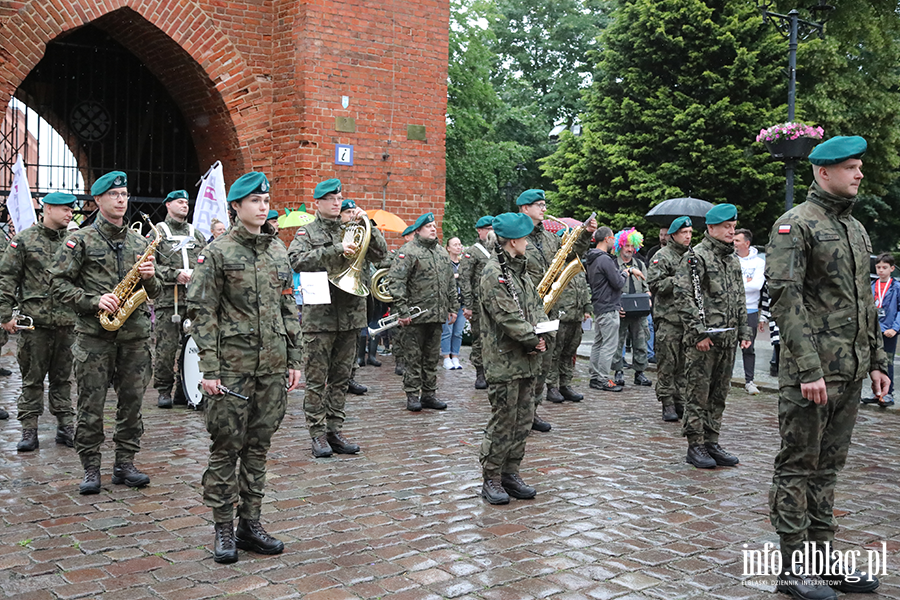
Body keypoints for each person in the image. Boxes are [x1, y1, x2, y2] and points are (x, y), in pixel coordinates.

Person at [767, 135, 888, 598]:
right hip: (813, 374)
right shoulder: (795, 225)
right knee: (798, 465)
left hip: (852, 369)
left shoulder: (855, 229)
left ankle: (822, 558)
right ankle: (793, 568)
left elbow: (864, 305)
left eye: (859, 167)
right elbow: (786, 299)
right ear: (823, 172)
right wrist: (808, 368)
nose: (859, 174)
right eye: (851, 167)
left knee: (828, 467)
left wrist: (876, 360)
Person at [187, 171, 302, 564]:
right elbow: (202, 312)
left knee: (258, 447)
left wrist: (294, 358)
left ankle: (249, 523)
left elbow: (289, 306)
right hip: (232, 368)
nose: (263, 206)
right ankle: (222, 528)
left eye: (266, 199)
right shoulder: (217, 252)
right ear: (236, 207)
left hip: (271, 367)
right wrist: (209, 369)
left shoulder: (278, 251)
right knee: (226, 448)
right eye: (254, 200)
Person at [50, 171, 161, 494]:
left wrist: (151, 276)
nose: (121, 200)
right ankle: (91, 467)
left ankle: (125, 463)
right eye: (114, 195)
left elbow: (154, 290)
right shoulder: (80, 240)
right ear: (98, 200)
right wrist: (93, 300)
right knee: (91, 403)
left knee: (132, 402)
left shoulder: (141, 242)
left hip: (135, 335)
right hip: (94, 335)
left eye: (125, 194)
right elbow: (57, 284)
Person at [289, 179, 387, 457]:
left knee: (342, 377)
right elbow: (295, 259)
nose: (337, 202)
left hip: (351, 313)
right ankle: (317, 433)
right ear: (317, 203)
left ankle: (335, 429)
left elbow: (381, 255)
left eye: (339, 198)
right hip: (320, 316)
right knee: (318, 378)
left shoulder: (352, 227)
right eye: (330, 198)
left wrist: (369, 224)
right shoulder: (307, 232)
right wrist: (334, 251)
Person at [674, 203, 750, 469]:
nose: (731, 232)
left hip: (727, 339)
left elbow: (739, 297)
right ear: (711, 228)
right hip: (705, 341)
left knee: (719, 394)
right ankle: (695, 445)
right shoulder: (696, 257)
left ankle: (711, 441)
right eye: (726, 227)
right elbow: (684, 297)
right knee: (698, 393)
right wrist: (699, 333)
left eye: (733, 227)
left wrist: (744, 329)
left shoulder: (731, 259)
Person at [478, 213, 548, 505]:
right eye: (525, 238)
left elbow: (534, 307)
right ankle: (492, 477)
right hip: (505, 359)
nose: (528, 243)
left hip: (527, 358)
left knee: (523, 419)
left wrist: (544, 329)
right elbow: (506, 317)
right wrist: (533, 338)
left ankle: (511, 472)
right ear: (513, 241)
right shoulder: (494, 273)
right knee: (504, 419)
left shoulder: (521, 271)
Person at [0, 192, 77, 451]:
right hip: (35, 324)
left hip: (67, 323)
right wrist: (5, 316)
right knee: (32, 379)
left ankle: (66, 427)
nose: (70, 214)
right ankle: (29, 430)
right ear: (48, 209)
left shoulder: (74, 242)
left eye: (71, 210)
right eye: (65, 209)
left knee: (63, 378)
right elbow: (7, 279)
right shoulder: (24, 240)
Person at [518, 190, 596, 431]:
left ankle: (533, 411)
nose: (544, 208)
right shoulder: (515, 236)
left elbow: (570, 255)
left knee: (543, 362)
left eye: (544, 204)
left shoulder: (550, 238)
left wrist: (585, 234)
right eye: (538, 205)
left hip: (548, 311)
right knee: (524, 364)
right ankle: (519, 414)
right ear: (524, 209)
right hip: (524, 309)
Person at [388, 212, 457, 411]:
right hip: (414, 316)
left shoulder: (442, 253)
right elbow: (397, 282)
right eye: (429, 226)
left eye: (434, 226)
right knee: (413, 357)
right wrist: (402, 310)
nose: (433, 229)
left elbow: (450, 283)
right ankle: (412, 395)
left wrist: (452, 307)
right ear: (418, 230)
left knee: (431, 357)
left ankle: (429, 393)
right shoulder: (408, 251)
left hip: (436, 314)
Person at [152, 190, 207, 409]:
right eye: (179, 202)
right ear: (168, 205)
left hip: (194, 299)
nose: (185, 205)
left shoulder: (196, 233)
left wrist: (199, 275)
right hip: (169, 300)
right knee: (167, 348)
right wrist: (174, 274)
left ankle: (184, 388)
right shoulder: (158, 232)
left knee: (192, 347)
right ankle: (163, 389)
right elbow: (150, 264)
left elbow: (206, 260)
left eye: (186, 202)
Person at [647, 216, 692, 422]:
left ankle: (680, 399)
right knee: (668, 362)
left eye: (690, 233)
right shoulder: (662, 255)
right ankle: (667, 402)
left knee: (684, 364)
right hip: (668, 318)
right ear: (674, 234)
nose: (688, 236)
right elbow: (655, 284)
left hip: (687, 319)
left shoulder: (693, 255)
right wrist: (678, 279)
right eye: (684, 233)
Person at [546, 249, 591, 403]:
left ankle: (565, 384)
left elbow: (585, 290)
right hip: (560, 316)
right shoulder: (556, 266)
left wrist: (587, 308)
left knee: (569, 352)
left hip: (576, 317)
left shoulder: (577, 267)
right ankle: (552, 386)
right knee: (554, 353)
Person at [585, 227, 626, 392]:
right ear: (607, 239)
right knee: (609, 344)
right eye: (612, 239)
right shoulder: (605, 260)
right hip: (609, 305)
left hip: (599, 305)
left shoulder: (592, 258)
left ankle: (594, 376)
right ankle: (602, 378)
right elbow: (617, 283)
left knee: (599, 342)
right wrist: (624, 274)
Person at [610, 228, 652, 388]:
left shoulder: (640, 264)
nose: (629, 249)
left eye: (631, 246)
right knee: (618, 342)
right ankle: (618, 371)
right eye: (626, 245)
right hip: (620, 309)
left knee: (640, 341)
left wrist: (648, 296)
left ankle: (639, 372)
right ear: (620, 246)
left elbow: (646, 285)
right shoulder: (613, 264)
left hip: (639, 310)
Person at [459, 216, 494, 389]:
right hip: (479, 304)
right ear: (479, 231)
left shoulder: (499, 250)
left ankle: (493, 371)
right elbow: (464, 279)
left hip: (497, 303)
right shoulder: (472, 252)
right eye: (488, 229)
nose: (491, 232)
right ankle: (480, 373)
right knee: (480, 338)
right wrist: (468, 304)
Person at [862, 253, 900, 406]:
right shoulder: (872, 286)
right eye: (878, 267)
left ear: (892, 268)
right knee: (874, 362)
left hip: (888, 331)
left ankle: (888, 393)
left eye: (884, 267)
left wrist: (895, 328)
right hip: (873, 330)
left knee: (887, 362)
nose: (881, 271)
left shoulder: (896, 287)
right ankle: (876, 391)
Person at [734, 228, 765, 396]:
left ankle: (749, 380)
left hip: (751, 310)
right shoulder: (731, 260)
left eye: (737, 241)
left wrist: (742, 284)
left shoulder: (759, 262)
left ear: (747, 243)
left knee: (749, 347)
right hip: (732, 310)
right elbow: (729, 286)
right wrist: (746, 282)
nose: (734, 244)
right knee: (729, 346)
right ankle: (725, 379)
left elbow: (757, 286)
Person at [441, 236, 466, 370]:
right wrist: (456, 276)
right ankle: (446, 357)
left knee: (458, 332)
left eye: (460, 244)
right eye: (455, 244)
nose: (458, 247)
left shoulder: (464, 264)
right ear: (448, 248)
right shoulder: (445, 263)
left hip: (462, 302)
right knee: (447, 331)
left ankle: (455, 356)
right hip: (449, 303)